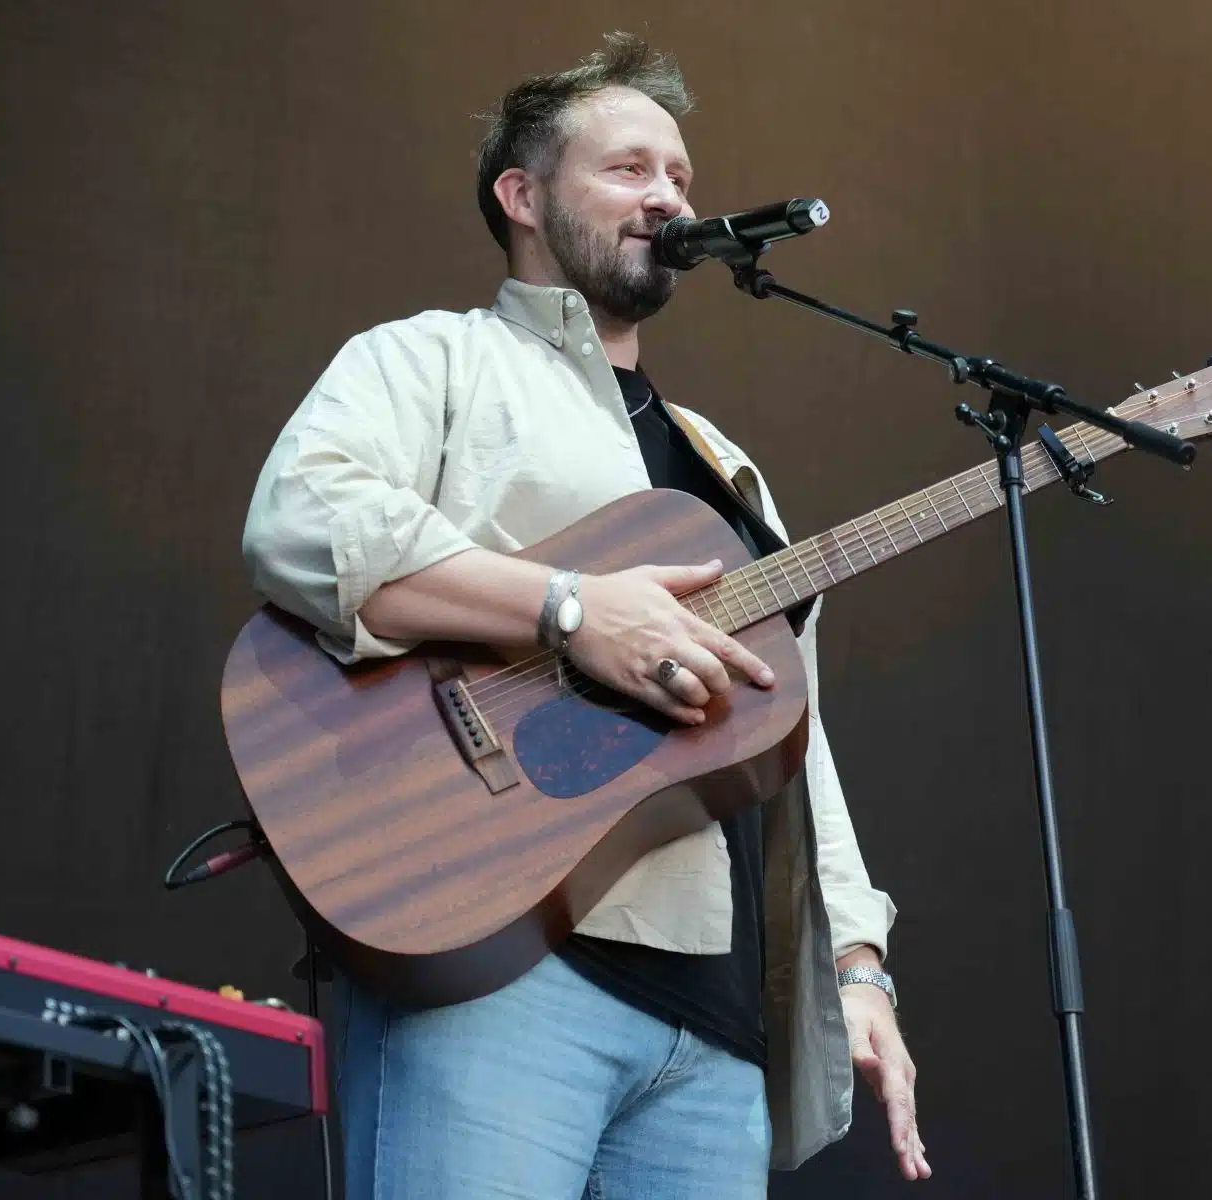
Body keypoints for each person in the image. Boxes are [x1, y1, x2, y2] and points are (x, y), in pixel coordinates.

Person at [241, 32, 927, 1199]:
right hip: (493, 971)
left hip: (712, 1031)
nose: (668, 194)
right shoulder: (435, 361)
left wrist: (860, 964)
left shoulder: (730, 470)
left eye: (681, 176)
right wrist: (567, 608)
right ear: (522, 196)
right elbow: (303, 519)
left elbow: (796, 740)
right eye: (628, 168)